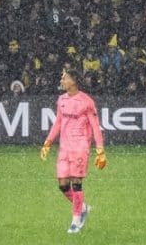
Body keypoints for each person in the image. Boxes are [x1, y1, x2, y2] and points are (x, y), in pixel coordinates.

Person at [40, 68, 106, 234]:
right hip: (64, 147)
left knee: (76, 183)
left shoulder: (86, 101)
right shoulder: (61, 99)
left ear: (74, 81)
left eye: (65, 78)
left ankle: (76, 221)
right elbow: (58, 123)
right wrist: (48, 143)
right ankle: (82, 207)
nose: (62, 80)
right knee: (63, 185)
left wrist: (100, 149)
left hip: (80, 146)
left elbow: (95, 127)